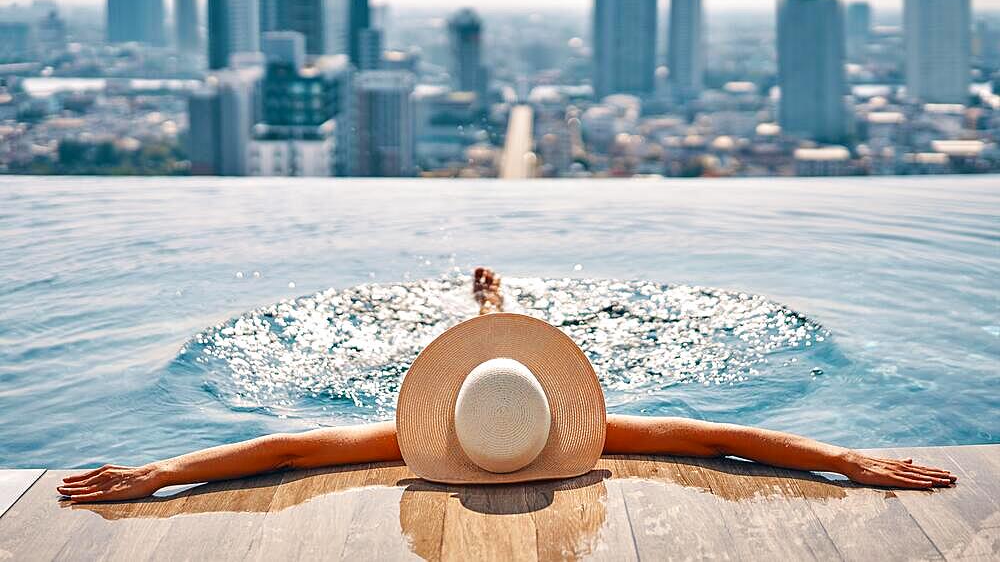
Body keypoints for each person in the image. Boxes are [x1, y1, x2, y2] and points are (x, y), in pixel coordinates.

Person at [57, 268, 956, 503]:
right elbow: (717, 436)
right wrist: (842, 459)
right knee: (499, 351)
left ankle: (494, 304)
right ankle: (495, 305)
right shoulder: (600, 436)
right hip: (506, 390)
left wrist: (162, 471)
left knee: (497, 350)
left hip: (497, 392)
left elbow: (286, 448)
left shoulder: (411, 437)